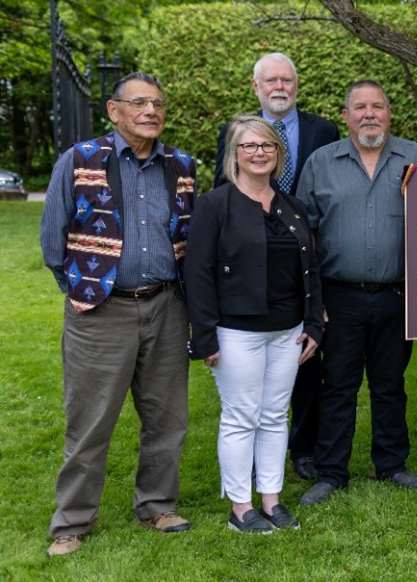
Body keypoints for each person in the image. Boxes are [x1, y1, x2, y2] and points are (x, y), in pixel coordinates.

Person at [40, 72, 196, 556]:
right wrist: (85, 290)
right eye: (139, 103)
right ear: (114, 111)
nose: (151, 112)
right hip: (100, 312)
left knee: (166, 418)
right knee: (89, 421)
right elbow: (52, 239)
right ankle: (72, 521)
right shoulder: (81, 160)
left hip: (167, 306)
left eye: (158, 104)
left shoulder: (182, 166)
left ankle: (157, 505)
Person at [295, 80, 417, 506]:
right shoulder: (321, 163)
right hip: (340, 297)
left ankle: (392, 463)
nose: (369, 114)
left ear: (389, 113)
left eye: (377, 106)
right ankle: (331, 470)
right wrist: (313, 303)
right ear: (346, 115)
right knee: (337, 385)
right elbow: (304, 234)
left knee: (390, 384)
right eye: (360, 107)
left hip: (398, 295)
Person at [185, 116, 324, 533]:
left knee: (275, 416)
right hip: (236, 332)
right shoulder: (214, 205)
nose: (259, 153)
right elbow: (198, 272)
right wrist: (204, 335)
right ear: (235, 155)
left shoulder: (292, 207)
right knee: (241, 416)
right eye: (249, 146)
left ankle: (272, 500)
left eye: (266, 146)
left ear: (278, 155)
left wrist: (314, 324)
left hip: (287, 331)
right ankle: (240, 507)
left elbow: (311, 269)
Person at [213, 52, 340, 481]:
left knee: (305, 369)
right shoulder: (236, 133)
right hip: (249, 264)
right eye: (271, 81)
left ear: (296, 85)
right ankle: (247, 457)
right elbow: (222, 188)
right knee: (248, 385)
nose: (279, 87)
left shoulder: (324, 130)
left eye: (287, 79)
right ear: (257, 87)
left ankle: (303, 450)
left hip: (303, 259)